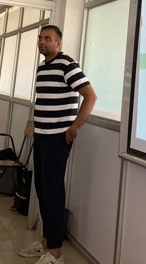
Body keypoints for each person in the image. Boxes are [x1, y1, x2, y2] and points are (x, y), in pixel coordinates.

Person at [19, 25, 97, 264]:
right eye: (40, 38)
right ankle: (45, 242)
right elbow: (43, 101)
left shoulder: (67, 64)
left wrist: (75, 127)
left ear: (58, 43)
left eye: (48, 38)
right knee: (42, 189)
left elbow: (90, 96)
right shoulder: (43, 67)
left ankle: (56, 253)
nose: (42, 42)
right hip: (41, 136)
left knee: (52, 191)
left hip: (57, 138)